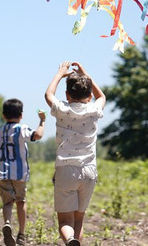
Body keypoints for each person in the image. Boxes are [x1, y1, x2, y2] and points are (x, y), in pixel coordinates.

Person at [44, 61, 106, 246]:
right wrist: (85, 74)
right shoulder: (94, 110)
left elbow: (48, 94)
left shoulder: (62, 109)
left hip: (66, 170)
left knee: (65, 221)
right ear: (89, 96)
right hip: (89, 171)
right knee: (79, 219)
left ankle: (70, 240)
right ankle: (75, 240)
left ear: (67, 95)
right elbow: (101, 95)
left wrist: (60, 73)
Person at [0, 98, 46, 246]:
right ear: (21, 115)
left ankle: (8, 223)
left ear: (4, 116)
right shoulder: (21, 129)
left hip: (2, 172)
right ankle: (21, 234)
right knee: (21, 201)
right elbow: (37, 135)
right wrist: (42, 121)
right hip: (19, 173)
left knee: (7, 202)